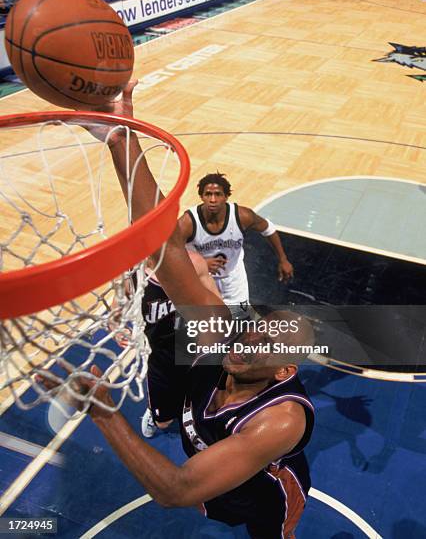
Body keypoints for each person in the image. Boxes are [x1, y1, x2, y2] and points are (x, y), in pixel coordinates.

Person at [38, 83, 315, 539]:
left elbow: (175, 489)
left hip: (266, 493)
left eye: (261, 347)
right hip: (217, 459)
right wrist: (121, 138)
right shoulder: (221, 336)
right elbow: (162, 240)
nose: (244, 344)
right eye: (251, 333)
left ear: (284, 369)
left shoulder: (280, 419)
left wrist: (102, 410)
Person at [179, 172, 293, 316]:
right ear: (201, 197)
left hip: (233, 278)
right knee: (209, 324)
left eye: (218, 194)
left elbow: (268, 229)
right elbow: (170, 252)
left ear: (226, 196)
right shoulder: (188, 222)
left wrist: (283, 259)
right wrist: (200, 264)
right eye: (208, 194)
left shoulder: (242, 216)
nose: (213, 199)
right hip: (203, 279)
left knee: (240, 319)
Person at [135, 251, 219, 438]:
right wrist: (120, 329)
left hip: (194, 347)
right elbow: (117, 311)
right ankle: (155, 413)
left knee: (201, 405)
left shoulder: (194, 263)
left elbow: (218, 305)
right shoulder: (130, 274)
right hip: (159, 355)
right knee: (163, 422)